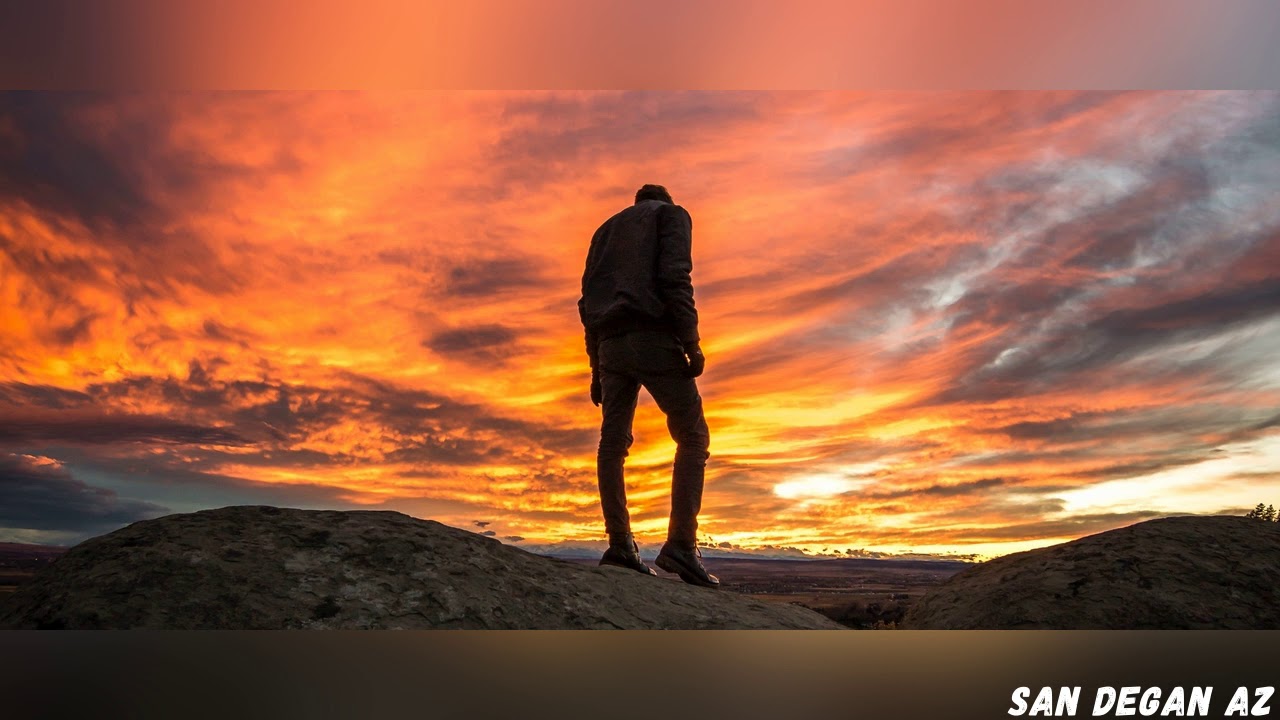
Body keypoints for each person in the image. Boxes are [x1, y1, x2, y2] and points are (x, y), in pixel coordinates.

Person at [577, 184, 718, 588]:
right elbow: (676, 277)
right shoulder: (670, 215)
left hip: (608, 346)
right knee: (693, 437)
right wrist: (690, 342)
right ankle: (682, 545)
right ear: (664, 199)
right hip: (652, 335)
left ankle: (620, 543)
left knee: (612, 442)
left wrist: (594, 368)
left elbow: (586, 302)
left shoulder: (603, 231)